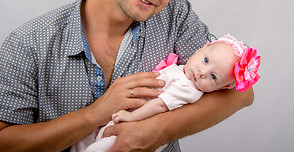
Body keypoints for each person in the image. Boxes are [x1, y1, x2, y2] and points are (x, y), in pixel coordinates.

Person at [0, 0, 254, 151]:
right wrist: (95, 113)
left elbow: (242, 91)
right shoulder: (29, 43)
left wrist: (154, 132)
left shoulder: (175, 13)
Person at [71, 34, 260, 152]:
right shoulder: (183, 70)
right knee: (83, 140)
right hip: (125, 115)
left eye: (213, 77)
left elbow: (159, 105)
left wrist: (131, 117)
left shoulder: (188, 90)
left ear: (220, 88)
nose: (202, 72)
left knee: (102, 147)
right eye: (205, 60)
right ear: (202, 48)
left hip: (135, 124)